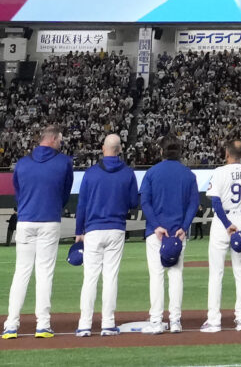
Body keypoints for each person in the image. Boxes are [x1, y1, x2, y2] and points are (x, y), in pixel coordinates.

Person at [0, 127, 71, 339]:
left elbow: (18, 192)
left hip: (26, 220)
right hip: (49, 220)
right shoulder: (64, 162)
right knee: (44, 273)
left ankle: (11, 325)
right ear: (54, 139)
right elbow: (65, 193)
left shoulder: (22, 163)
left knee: (21, 272)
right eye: (60, 140)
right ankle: (43, 324)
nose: (61, 143)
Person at [74, 135, 136, 336]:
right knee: (111, 277)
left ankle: (85, 324)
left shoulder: (91, 173)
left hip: (93, 229)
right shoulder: (127, 173)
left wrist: (78, 231)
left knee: (90, 277)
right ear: (120, 149)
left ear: (103, 148)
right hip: (116, 227)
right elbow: (133, 202)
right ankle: (108, 323)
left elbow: (81, 204)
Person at [135, 139, 199, 335]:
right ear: (180, 152)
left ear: (161, 151)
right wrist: (184, 227)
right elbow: (193, 204)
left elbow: (145, 202)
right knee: (176, 274)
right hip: (178, 232)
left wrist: (156, 226)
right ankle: (176, 320)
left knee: (157, 275)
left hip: (156, 233)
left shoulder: (152, 172)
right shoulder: (188, 174)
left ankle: (156, 320)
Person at [198, 138, 241, 334]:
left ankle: (214, 321)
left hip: (223, 223)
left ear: (227, 153)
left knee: (216, 273)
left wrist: (227, 225)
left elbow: (215, 202)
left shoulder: (219, 172)